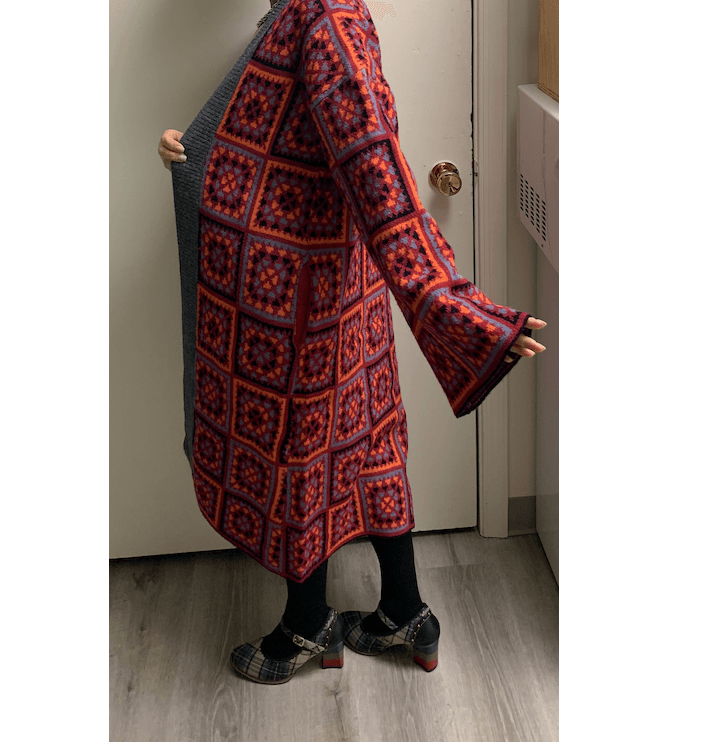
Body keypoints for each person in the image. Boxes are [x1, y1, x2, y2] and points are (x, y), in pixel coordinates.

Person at [158, 0, 547, 685]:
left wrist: (451, 305)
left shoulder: (325, 20)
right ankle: (405, 612)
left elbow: (376, 168)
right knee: (371, 443)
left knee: (298, 455)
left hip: (300, 301)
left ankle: (307, 626)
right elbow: (286, 135)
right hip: (333, 285)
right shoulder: (304, 15)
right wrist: (197, 149)